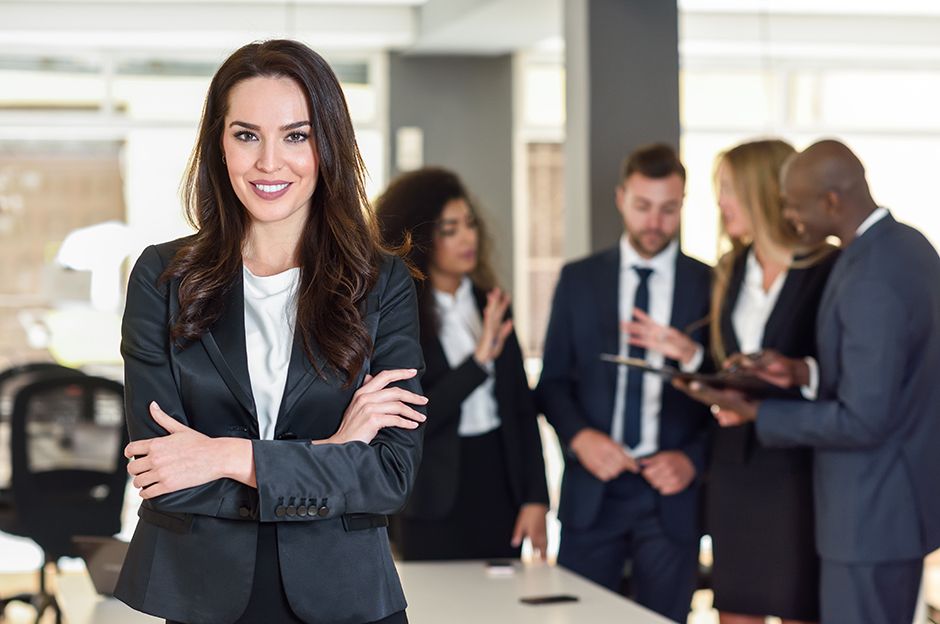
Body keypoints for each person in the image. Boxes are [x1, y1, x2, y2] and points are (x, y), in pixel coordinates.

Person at [115, 40, 427, 624]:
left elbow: (389, 475)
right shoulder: (162, 277)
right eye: (246, 134)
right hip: (203, 595)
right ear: (219, 144)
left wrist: (226, 456)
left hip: (346, 598)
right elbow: (164, 476)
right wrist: (333, 453)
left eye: (296, 135)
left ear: (327, 145)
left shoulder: (380, 283)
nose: (268, 163)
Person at [678, 139, 940, 624]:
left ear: (832, 202)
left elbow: (864, 419)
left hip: (870, 511)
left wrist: (757, 413)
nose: (790, 216)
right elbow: (883, 374)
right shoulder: (905, 246)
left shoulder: (868, 274)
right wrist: (802, 371)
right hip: (887, 507)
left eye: (795, 206)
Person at [629, 139, 838, 624]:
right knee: (735, 610)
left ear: (762, 191)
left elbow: (835, 371)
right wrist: (691, 358)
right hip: (733, 471)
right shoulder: (730, 269)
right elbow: (734, 364)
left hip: (797, 472)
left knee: (798, 608)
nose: (720, 202)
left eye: (727, 189)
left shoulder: (825, 268)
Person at [536, 144, 712, 622]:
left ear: (683, 204)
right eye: (642, 206)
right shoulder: (579, 280)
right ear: (620, 198)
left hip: (671, 497)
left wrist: (691, 461)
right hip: (594, 491)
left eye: (668, 208)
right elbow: (552, 383)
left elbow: (729, 396)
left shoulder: (711, 285)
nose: (654, 222)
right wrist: (581, 438)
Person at [375, 167, 549, 561]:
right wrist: (478, 362)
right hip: (432, 492)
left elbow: (522, 410)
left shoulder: (492, 304)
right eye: (450, 229)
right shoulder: (401, 315)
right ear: (420, 236)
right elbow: (411, 417)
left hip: (500, 482)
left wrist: (536, 497)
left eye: (469, 224)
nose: (468, 237)